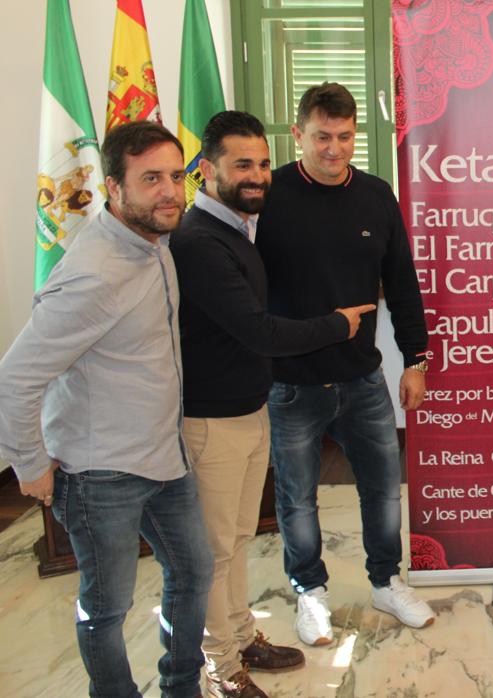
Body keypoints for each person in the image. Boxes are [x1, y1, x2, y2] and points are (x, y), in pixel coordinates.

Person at [0, 121, 213, 698]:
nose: (170, 191)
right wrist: (30, 464)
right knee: (107, 606)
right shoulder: (95, 274)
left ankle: (182, 686)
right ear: (114, 188)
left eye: (176, 175)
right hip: (101, 475)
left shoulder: (155, 245)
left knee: (193, 573)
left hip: (164, 460)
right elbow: (15, 376)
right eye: (151, 180)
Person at [171, 111, 378, 697]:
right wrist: (337, 324)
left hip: (244, 408)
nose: (259, 175)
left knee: (238, 537)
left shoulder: (237, 229)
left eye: (263, 162)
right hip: (209, 420)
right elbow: (259, 332)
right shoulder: (198, 242)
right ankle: (222, 666)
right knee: (214, 550)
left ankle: (241, 637)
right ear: (205, 169)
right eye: (242, 164)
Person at [255, 82, 435, 646]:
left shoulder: (377, 195)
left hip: (362, 377)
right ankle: (310, 593)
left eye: (345, 136)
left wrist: (416, 359)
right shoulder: (268, 195)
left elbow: (403, 284)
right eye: (321, 137)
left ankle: (386, 581)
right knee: (296, 499)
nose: (334, 149)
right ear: (298, 134)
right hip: (291, 383)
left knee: (383, 491)